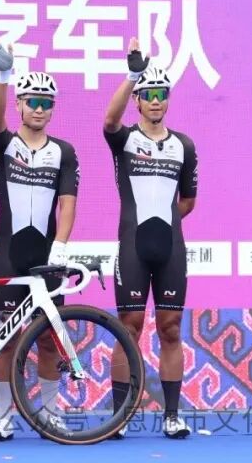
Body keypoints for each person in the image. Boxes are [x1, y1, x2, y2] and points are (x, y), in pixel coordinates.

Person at [0, 38, 79, 441]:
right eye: (32, 102)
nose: (39, 109)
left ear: (52, 109)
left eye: (46, 103)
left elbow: (68, 203)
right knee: (5, 341)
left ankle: (50, 414)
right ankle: (3, 416)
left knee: (49, 341)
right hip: (8, 253)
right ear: (20, 105)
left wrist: (61, 246)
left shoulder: (65, 151)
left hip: (46, 257)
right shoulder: (5, 144)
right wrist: (4, 75)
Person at [103, 39, 198, 439]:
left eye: (161, 94)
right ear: (138, 101)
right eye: (148, 95)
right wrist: (133, 75)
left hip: (170, 247)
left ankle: (172, 415)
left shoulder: (184, 145)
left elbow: (188, 201)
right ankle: (119, 416)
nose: (155, 101)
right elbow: (109, 121)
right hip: (133, 246)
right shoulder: (125, 139)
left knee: (170, 329)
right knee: (129, 327)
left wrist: (165, 223)